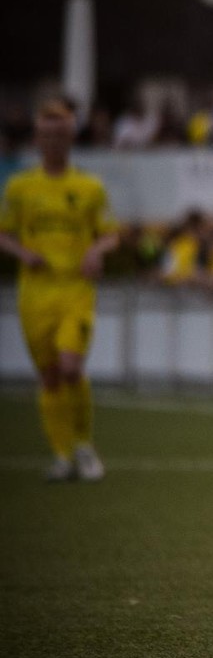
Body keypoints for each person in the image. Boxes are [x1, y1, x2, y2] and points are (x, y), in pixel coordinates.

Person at [0, 97, 119, 481]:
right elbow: (3, 233)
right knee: (50, 375)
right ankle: (62, 455)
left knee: (70, 367)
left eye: (60, 135)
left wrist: (96, 252)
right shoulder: (20, 187)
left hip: (75, 290)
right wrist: (23, 253)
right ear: (37, 139)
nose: (53, 142)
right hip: (34, 294)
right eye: (47, 135)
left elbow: (110, 235)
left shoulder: (89, 187)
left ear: (70, 139)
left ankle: (83, 445)